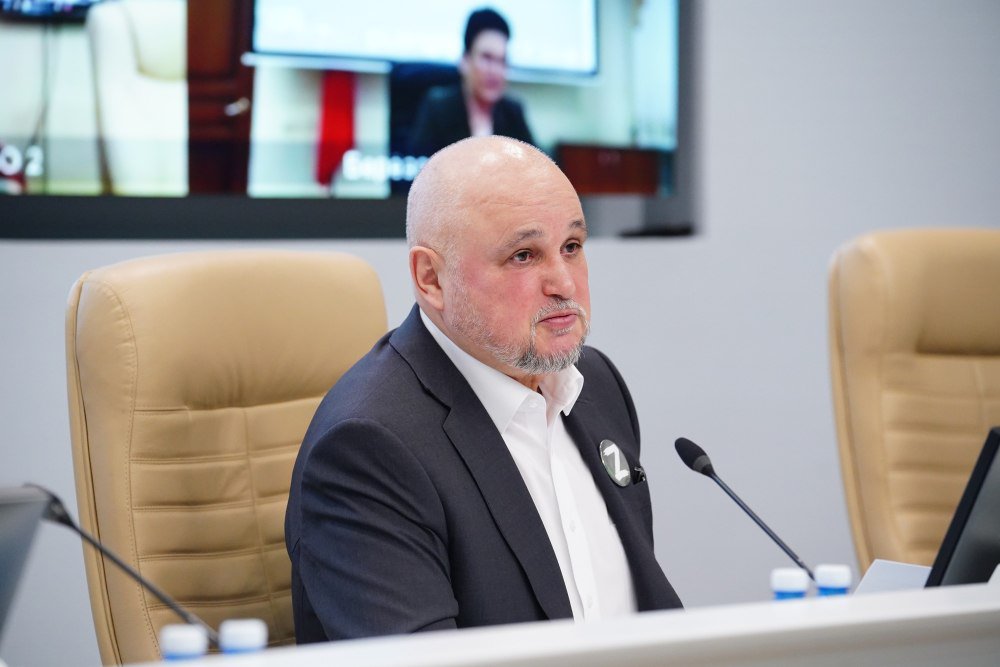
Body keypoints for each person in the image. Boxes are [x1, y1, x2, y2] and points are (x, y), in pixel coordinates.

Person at [285, 136, 682, 643]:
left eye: (572, 247)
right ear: (431, 278)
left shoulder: (597, 386)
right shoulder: (367, 449)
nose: (564, 283)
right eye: (524, 255)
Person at [408, 8, 534, 157]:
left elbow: (537, 166)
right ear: (465, 60)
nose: (495, 70)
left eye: (502, 60)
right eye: (487, 58)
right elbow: (421, 166)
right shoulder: (438, 108)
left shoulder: (513, 112)